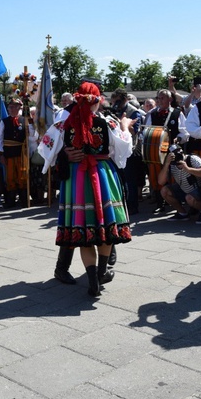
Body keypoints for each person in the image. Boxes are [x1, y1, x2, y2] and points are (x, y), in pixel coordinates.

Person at [38, 82, 132, 297]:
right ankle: (101, 273)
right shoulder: (108, 122)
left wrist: (63, 155)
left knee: (82, 230)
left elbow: (45, 149)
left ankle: (92, 280)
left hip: (76, 179)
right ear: (97, 100)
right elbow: (125, 147)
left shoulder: (63, 124)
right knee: (106, 228)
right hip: (103, 174)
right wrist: (125, 126)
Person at [157, 145, 201, 223]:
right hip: (182, 189)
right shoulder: (171, 164)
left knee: (189, 198)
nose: (179, 155)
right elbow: (161, 182)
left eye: (180, 152)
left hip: (198, 190)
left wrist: (187, 169)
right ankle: (182, 213)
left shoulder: (191, 159)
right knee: (164, 191)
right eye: (175, 154)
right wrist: (166, 164)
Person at [0, 98, 27, 208]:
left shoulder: (25, 120)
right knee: (10, 178)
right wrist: (0, 154)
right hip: (8, 154)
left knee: (22, 177)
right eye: (10, 107)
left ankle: (24, 200)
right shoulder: (4, 122)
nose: (11, 109)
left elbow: (30, 137)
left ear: (19, 107)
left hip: (21, 154)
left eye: (13, 107)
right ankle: (10, 201)